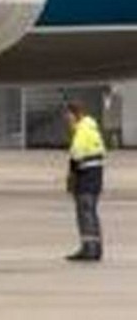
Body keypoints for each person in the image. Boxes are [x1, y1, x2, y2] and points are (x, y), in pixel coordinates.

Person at [64, 100, 106, 262]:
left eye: (68, 116)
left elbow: (76, 154)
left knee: (85, 214)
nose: (67, 120)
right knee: (91, 213)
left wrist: (71, 177)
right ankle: (95, 248)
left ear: (76, 115)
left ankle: (88, 249)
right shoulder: (92, 128)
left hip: (85, 178)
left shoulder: (82, 130)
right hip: (96, 178)